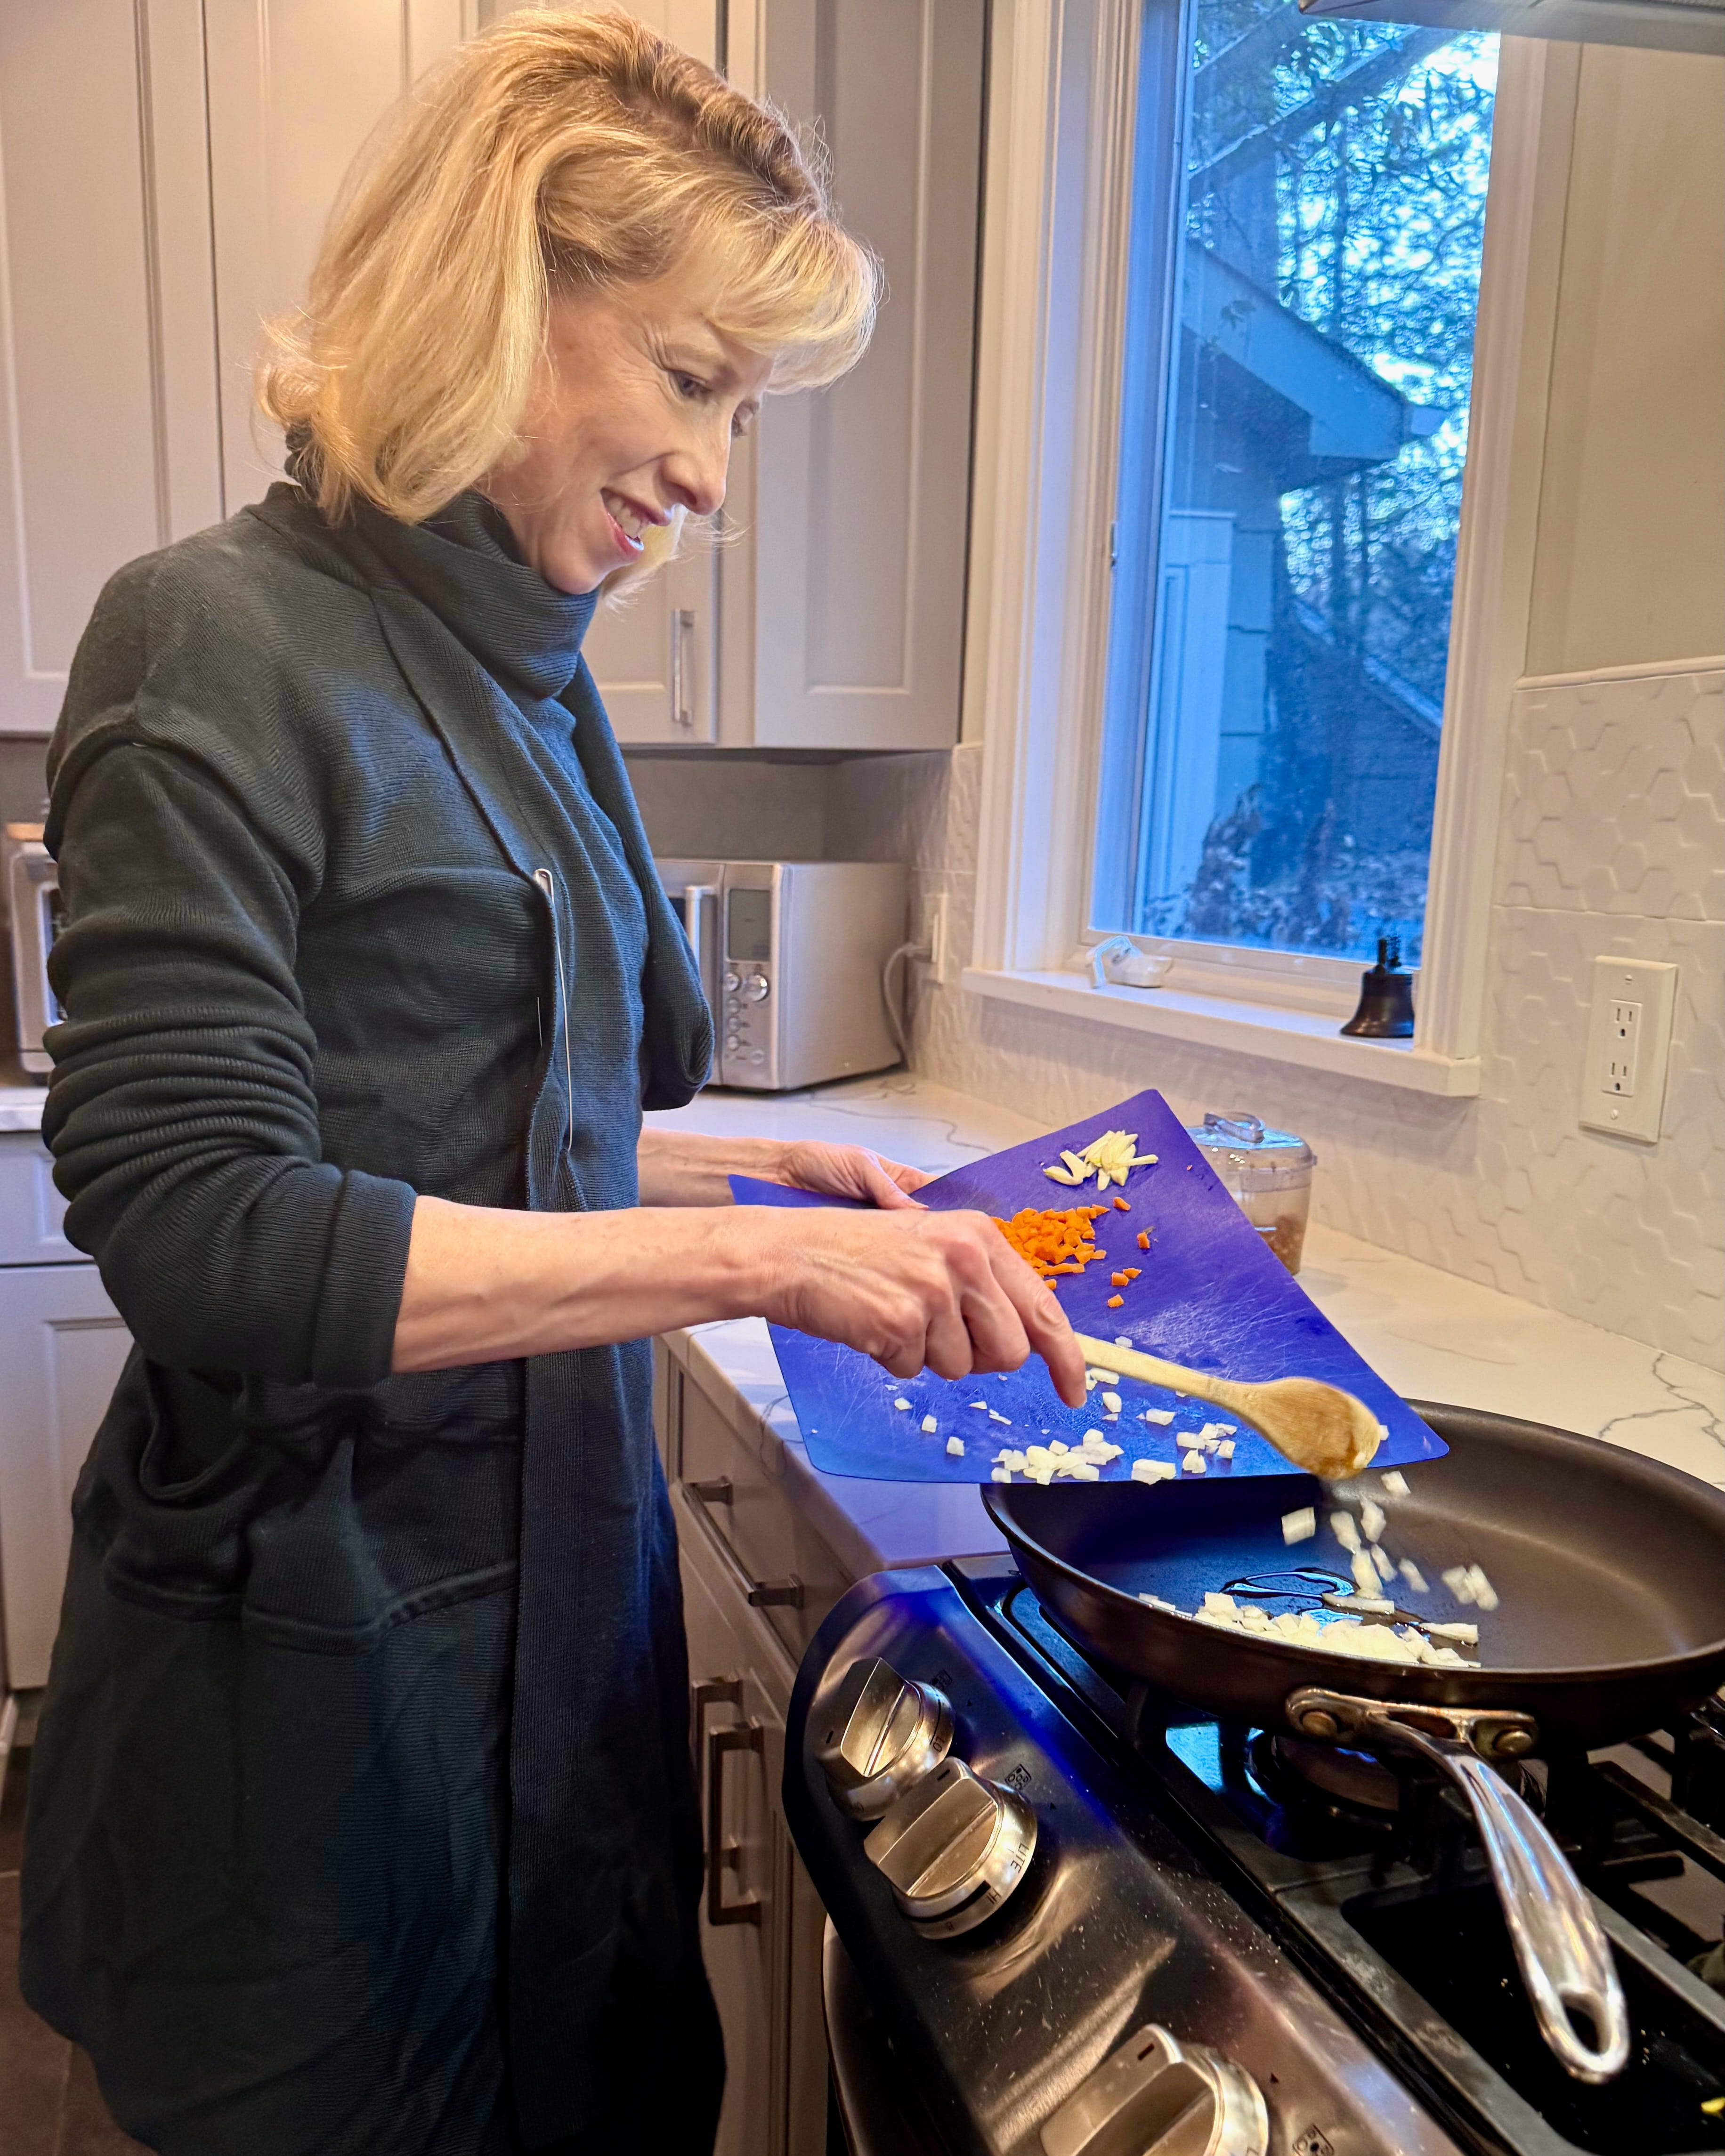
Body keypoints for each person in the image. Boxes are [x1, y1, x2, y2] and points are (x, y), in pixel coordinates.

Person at [17, 14, 1084, 2156]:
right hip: (319, 1655)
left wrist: (752, 1170)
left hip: (554, 1596)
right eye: (694, 380)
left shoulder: (526, 661)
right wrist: (741, 1269)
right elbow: (209, 1221)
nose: (712, 475)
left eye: (743, 412)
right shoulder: (211, 633)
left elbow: (462, 1099)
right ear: (491, 289)